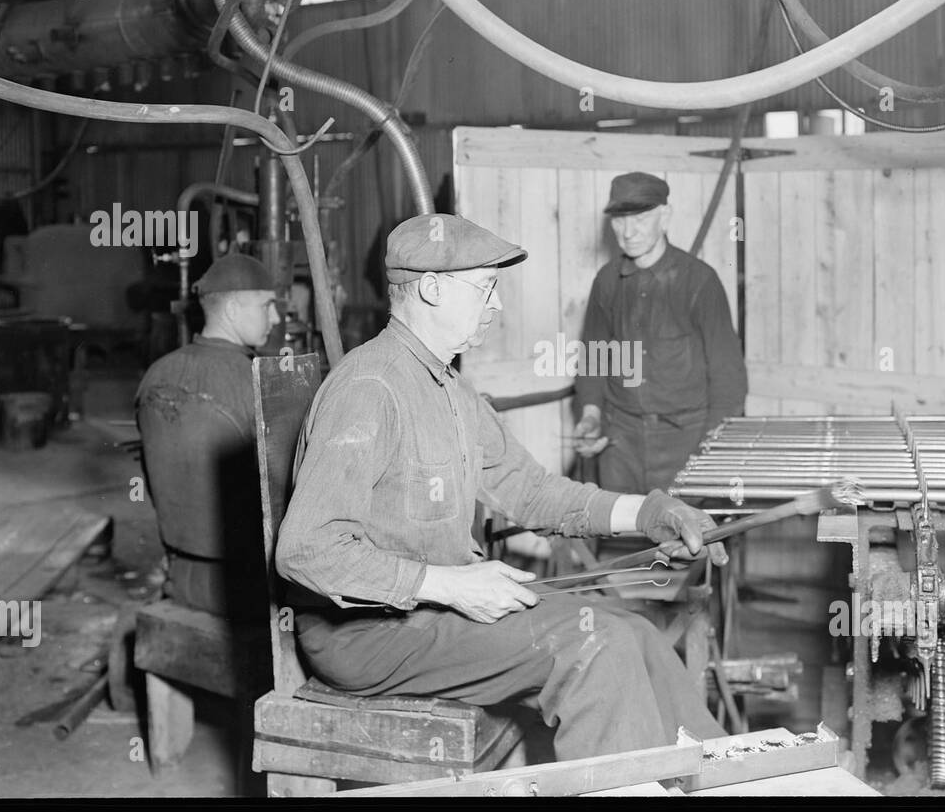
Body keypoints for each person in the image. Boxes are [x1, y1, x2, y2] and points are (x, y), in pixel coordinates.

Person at [275, 214, 728, 760]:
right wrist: (453, 585)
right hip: (367, 635)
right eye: (486, 288)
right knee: (596, 648)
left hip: (427, 612)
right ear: (432, 288)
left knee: (637, 633)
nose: (497, 305)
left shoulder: (447, 386)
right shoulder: (369, 387)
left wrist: (650, 513)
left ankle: (725, 777)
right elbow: (306, 550)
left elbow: (532, 492)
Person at [572, 171, 748, 495]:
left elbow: (729, 380)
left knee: (685, 542)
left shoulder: (699, 282)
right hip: (620, 444)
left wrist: (709, 452)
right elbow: (595, 360)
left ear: (664, 216)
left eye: (640, 218)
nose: (628, 232)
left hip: (687, 442)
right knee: (623, 542)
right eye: (620, 220)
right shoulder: (607, 282)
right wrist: (591, 416)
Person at [135, 254, 280, 618]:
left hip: (182, 579)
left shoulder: (155, 374)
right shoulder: (261, 384)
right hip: (252, 591)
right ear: (232, 309)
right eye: (267, 305)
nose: (275, 318)